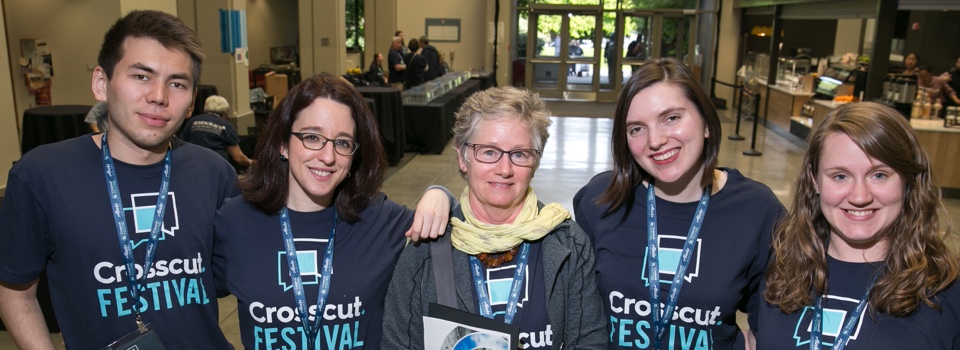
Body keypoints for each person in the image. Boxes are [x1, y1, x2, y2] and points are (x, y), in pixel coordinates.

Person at [0, 10, 236, 349]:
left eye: (177, 83)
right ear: (101, 83)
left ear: (190, 103)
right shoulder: (42, 174)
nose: (159, 96)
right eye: (141, 76)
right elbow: (15, 293)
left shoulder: (214, 172)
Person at [213, 73, 453, 349]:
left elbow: (477, 235)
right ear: (283, 144)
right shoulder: (235, 221)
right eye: (312, 137)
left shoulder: (379, 219)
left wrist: (442, 196)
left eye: (342, 143)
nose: (328, 157)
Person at [573, 58, 785, 349]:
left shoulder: (757, 210)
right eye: (636, 128)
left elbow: (769, 326)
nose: (656, 140)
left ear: (707, 123)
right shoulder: (602, 199)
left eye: (671, 118)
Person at [382, 86, 607, 349]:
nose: (504, 169)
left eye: (519, 154)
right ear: (463, 158)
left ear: (535, 162)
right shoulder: (425, 248)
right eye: (489, 151)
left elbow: (589, 341)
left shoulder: (569, 245)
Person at [753, 101, 960, 349]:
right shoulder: (781, 272)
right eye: (840, 176)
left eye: (879, 175)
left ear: (907, 180)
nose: (859, 197)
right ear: (815, 180)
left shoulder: (946, 290)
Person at [180, 95, 253, 171]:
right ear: (225, 114)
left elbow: (182, 144)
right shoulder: (226, 126)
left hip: (193, 166)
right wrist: (251, 162)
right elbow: (238, 158)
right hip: (217, 168)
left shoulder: (192, 121)